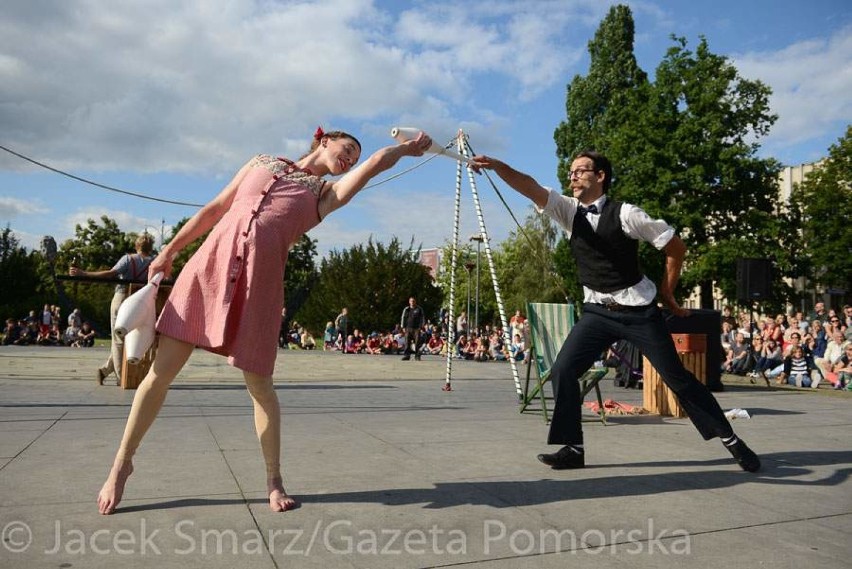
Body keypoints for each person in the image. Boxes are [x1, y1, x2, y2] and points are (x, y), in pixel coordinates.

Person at [95, 127, 433, 516]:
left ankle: (274, 480)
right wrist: (170, 251)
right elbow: (216, 208)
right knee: (160, 373)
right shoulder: (260, 161)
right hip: (207, 272)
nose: (350, 159)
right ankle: (122, 462)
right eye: (347, 149)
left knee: (261, 389)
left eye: (354, 158)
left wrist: (406, 149)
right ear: (324, 141)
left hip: (259, 291)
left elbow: (375, 165)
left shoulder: (324, 196)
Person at [470, 150, 760, 473]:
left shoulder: (628, 214)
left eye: (581, 170)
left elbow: (676, 247)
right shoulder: (567, 211)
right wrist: (497, 165)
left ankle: (732, 439)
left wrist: (667, 292)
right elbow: (529, 186)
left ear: (601, 175)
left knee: (677, 378)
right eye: (571, 172)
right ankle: (573, 448)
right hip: (597, 313)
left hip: (639, 311)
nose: (573, 176)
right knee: (563, 369)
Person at [69, 234, 156, 385]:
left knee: (119, 339)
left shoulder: (128, 259)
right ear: (151, 247)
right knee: (137, 339)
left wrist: (84, 274)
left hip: (123, 298)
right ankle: (105, 370)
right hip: (142, 302)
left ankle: (121, 377)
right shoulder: (154, 262)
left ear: (136, 246)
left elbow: (110, 273)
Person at [400, 297, 425, 361]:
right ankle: (406, 355)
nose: (412, 302)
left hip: (417, 328)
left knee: (417, 342)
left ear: (415, 302)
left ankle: (417, 356)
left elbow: (422, 318)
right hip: (408, 328)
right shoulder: (406, 309)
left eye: (413, 301)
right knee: (407, 342)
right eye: (411, 301)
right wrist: (403, 327)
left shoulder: (419, 309)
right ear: (409, 302)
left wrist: (421, 327)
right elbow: (403, 317)